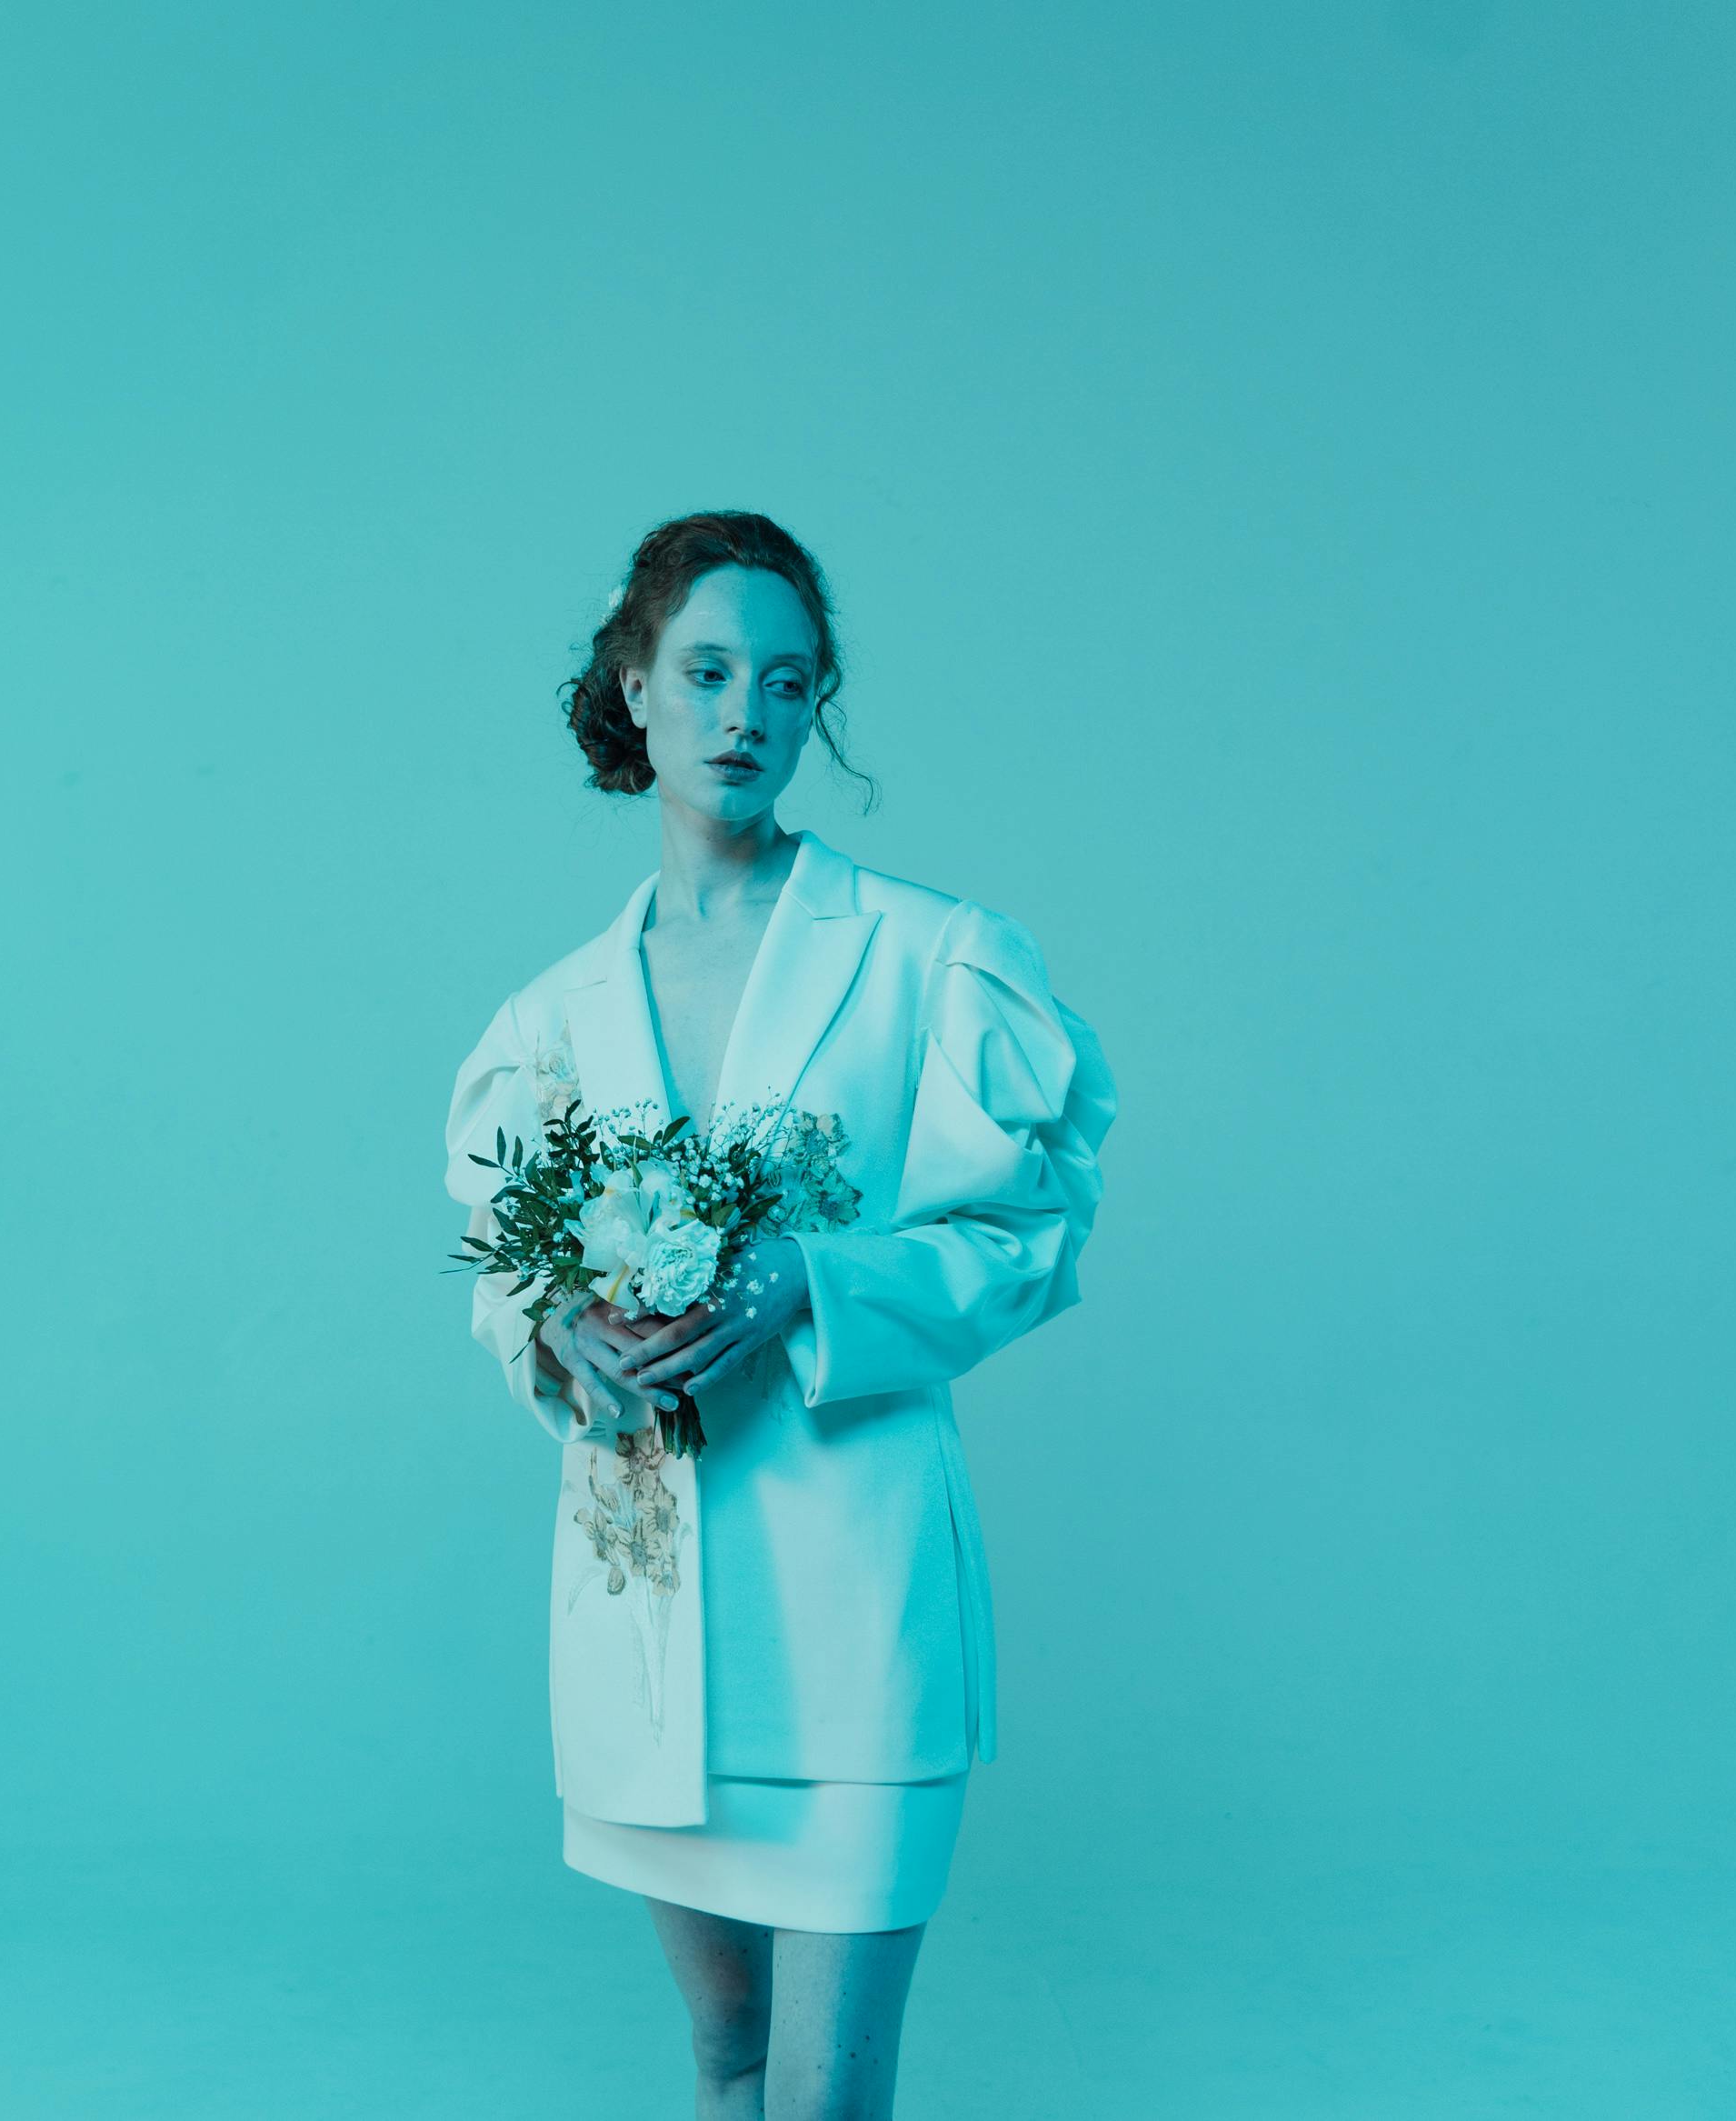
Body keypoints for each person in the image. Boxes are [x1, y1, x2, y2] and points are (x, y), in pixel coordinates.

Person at [443, 511, 1112, 2119]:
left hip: (853, 1600)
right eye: (711, 669)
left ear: (816, 712)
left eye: (790, 683)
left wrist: (818, 1277)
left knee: (820, 2096)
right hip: (651, 1625)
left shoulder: (930, 962)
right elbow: (503, 1270)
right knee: (726, 2057)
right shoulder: (551, 1019)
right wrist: (560, 1340)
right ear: (637, 680)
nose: (749, 713)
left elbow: (1029, 1231)